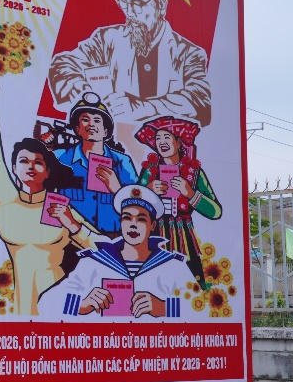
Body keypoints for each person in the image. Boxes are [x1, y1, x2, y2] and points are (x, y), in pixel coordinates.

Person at [0, 68, 105, 316]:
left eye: (38, 163)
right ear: (14, 168)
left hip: (58, 313)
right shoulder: (6, 201)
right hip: (23, 314)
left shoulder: (58, 207)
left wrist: (72, 224)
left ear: (47, 171)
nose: (31, 167)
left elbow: (106, 251)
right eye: (24, 161)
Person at [47, 0, 211, 127]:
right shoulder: (107, 39)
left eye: (137, 4)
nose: (130, 13)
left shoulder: (188, 53)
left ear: (160, 5)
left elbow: (201, 102)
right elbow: (62, 65)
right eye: (123, 3)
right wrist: (86, 94)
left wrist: (143, 108)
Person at [38, 185, 191, 320]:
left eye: (141, 219)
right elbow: (45, 303)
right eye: (127, 218)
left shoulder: (173, 266)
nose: (133, 225)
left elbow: (198, 305)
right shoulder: (93, 263)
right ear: (120, 223)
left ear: (153, 225)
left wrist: (164, 308)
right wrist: (81, 305)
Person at [134, 116, 222, 287]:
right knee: (148, 279)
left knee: (194, 279)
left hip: (183, 235)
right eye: (158, 138)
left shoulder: (194, 172)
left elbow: (215, 211)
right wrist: (148, 190)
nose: (161, 142)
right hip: (153, 232)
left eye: (167, 137)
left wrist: (190, 193)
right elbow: (133, 201)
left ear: (179, 142)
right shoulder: (149, 169)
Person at [54, 92, 139, 235]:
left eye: (97, 120)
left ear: (106, 131)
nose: (91, 124)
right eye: (85, 119)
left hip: (113, 238)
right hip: (72, 236)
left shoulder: (122, 161)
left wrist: (117, 189)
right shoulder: (59, 158)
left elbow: (138, 205)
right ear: (77, 129)